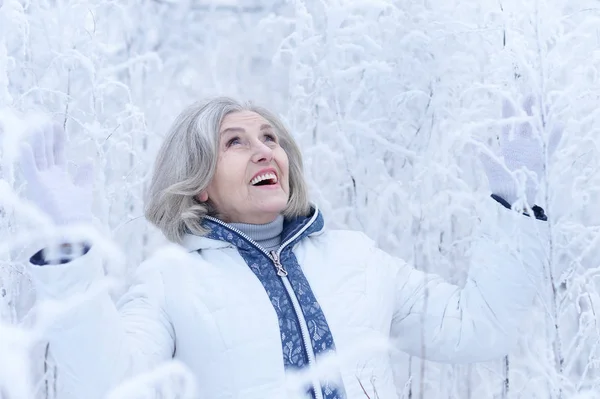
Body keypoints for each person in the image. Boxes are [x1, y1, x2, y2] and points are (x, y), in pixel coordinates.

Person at [18, 96, 552, 399]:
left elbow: (479, 328)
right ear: (199, 181)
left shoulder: (357, 257)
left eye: (271, 138)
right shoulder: (170, 283)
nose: (262, 151)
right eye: (235, 142)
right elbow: (110, 386)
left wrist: (516, 204)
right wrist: (68, 253)